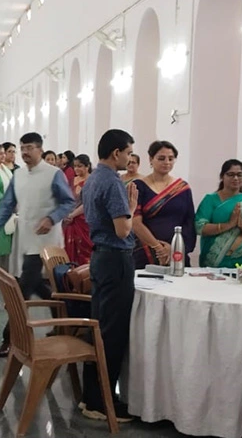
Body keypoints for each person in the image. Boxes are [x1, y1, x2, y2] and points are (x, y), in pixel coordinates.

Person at [0, 132, 75, 358]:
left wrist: (52, 219)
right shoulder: (19, 175)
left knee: (23, 290)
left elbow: (68, 202)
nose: (25, 152)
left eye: (29, 148)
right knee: (37, 286)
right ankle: (64, 322)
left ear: (40, 150)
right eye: (22, 148)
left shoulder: (53, 174)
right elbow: (7, 205)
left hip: (47, 243)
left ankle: (9, 337)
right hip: (26, 239)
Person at [79, 129, 138, 423]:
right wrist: (131, 209)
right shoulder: (113, 181)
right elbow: (123, 230)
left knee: (100, 327)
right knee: (112, 333)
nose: (129, 158)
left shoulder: (93, 178)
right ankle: (102, 402)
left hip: (100, 257)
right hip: (115, 259)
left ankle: (91, 395)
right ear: (116, 153)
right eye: (128, 153)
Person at [195, 159, 242, 269]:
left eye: (239, 175)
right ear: (222, 176)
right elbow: (200, 227)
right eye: (230, 174)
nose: (235, 178)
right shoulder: (210, 200)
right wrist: (229, 225)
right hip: (214, 264)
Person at [131, 141, 196, 268]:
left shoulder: (182, 188)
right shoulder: (139, 186)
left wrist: (174, 249)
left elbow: (189, 222)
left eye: (171, 159)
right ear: (151, 159)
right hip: (145, 252)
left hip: (176, 253)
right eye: (161, 158)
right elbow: (135, 222)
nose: (167, 162)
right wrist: (158, 248)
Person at [64, 154, 94, 264]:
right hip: (69, 221)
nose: (76, 169)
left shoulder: (91, 181)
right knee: (69, 250)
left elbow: (88, 204)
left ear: (87, 166)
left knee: (85, 251)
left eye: (80, 166)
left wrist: (72, 215)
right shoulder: (71, 180)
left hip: (84, 220)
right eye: (75, 166)